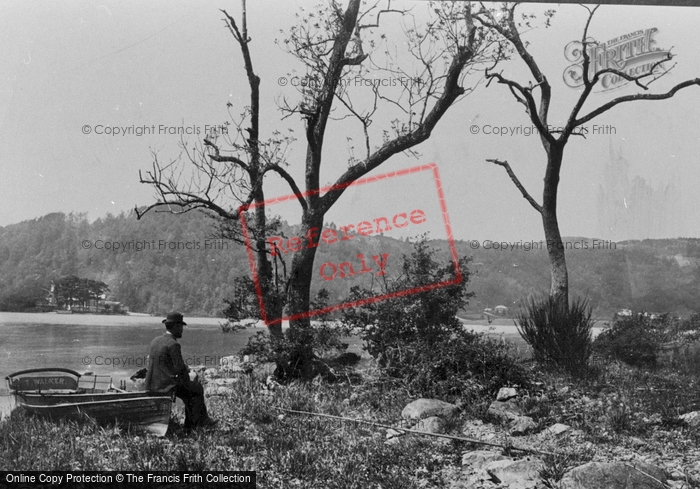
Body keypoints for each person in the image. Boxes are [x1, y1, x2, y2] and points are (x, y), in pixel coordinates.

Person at [144, 312, 215, 430]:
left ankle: (199, 422)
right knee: (196, 389)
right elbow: (179, 369)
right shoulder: (173, 344)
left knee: (190, 390)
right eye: (181, 326)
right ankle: (194, 425)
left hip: (151, 384)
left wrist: (187, 369)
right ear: (176, 326)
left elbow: (168, 364)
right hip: (165, 386)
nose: (182, 329)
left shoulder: (155, 341)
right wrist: (191, 374)